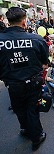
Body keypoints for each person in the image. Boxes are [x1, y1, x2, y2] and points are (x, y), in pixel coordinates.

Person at [0, 7, 49, 151]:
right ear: (24, 22)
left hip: (13, 84)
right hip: (32, 82)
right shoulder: (36, 39)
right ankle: (36, 137)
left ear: (8, 22)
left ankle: (25, 129)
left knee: (19, 108)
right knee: (32, 109)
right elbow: (45, 62)